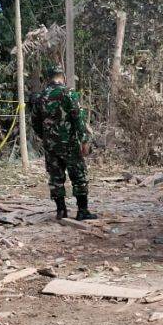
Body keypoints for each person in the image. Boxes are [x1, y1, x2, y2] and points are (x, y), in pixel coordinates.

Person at [29, 64, 97, 221]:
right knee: (78, 175)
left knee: (55, 177)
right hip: (70, 144)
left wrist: (46, 137)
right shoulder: (68, 93)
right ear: (62, 76)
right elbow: (78, 119)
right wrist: (84, 140)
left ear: (48, 77)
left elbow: (35, 122)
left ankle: (61, 211)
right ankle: (82, 211)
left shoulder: (40, 97)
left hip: (51, 145)